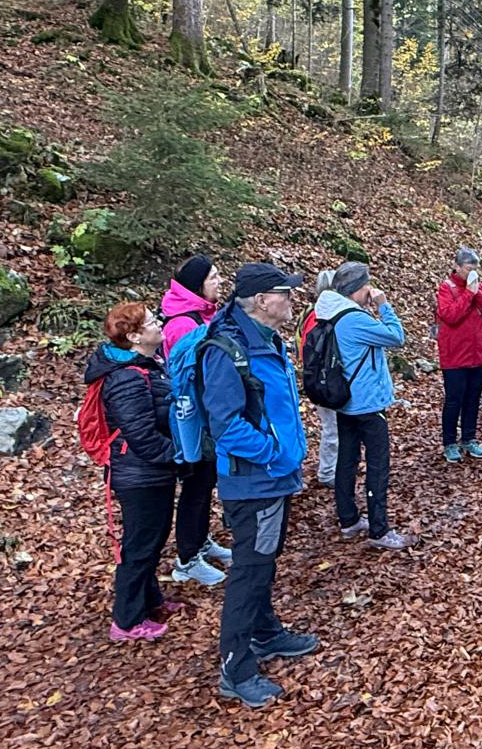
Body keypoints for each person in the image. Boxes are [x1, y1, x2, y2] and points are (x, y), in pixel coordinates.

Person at [200, 263, 313, 707]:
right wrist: (274, 453)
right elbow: (226, 426)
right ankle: (237, 669)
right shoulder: (228, 349)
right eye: (286, 292)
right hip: (254, 482)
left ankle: (265, 633)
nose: (292, 300)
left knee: (263, 561)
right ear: (263, 300)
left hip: (273, 477)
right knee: (249, 570)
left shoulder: (265, 339)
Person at [86, 302, 182, 642]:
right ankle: (126, 621)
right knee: (140, 544)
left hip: (149, 471)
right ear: (134, 337)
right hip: (139, 474)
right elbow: (141, 435)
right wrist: (179, 456)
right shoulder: (127, 378)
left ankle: (150, 600)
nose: (160, 324)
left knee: (151, 539)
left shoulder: (146, 366)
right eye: (152, 322)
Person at [313, 262, 418, 550]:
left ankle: (348, 518)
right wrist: (384, 305)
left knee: (347, 461)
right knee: (377, 465)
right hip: (368, 404)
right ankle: (379, 529)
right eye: (367, 286)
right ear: (357, 289)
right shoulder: (353, 319)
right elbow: (396, 336)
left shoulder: (328, 312)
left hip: (345, 402)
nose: (370, 290)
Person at [159, 255, 232, 587]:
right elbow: (187, 377)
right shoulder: (183, 324)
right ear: (197, 285)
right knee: (196, 486)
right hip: (194, 419)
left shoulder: (204, 314)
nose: (219, 281)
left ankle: (201, 541)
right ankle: (187, 558)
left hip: (207, 416)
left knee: (205, 483)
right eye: (213, 277)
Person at [436, 248, 482, 462]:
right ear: (457, 266)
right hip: (454, 356)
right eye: (468, 268)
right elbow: (450, 315)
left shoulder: (481, 287)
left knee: (473, 398)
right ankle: (449, 443)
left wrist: (477, 292)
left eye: (475, 268)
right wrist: (468, 294)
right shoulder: (447, 288)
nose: (472, 272)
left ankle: (469, 438)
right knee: (454, 399)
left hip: (477, 354)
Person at [299, 269, 340, 486]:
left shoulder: (310, 314)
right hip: (324, 380)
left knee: (333, 427)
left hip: (318, 378)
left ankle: (332, 469)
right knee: (332, 428)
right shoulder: (320, 317)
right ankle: (328, 472)